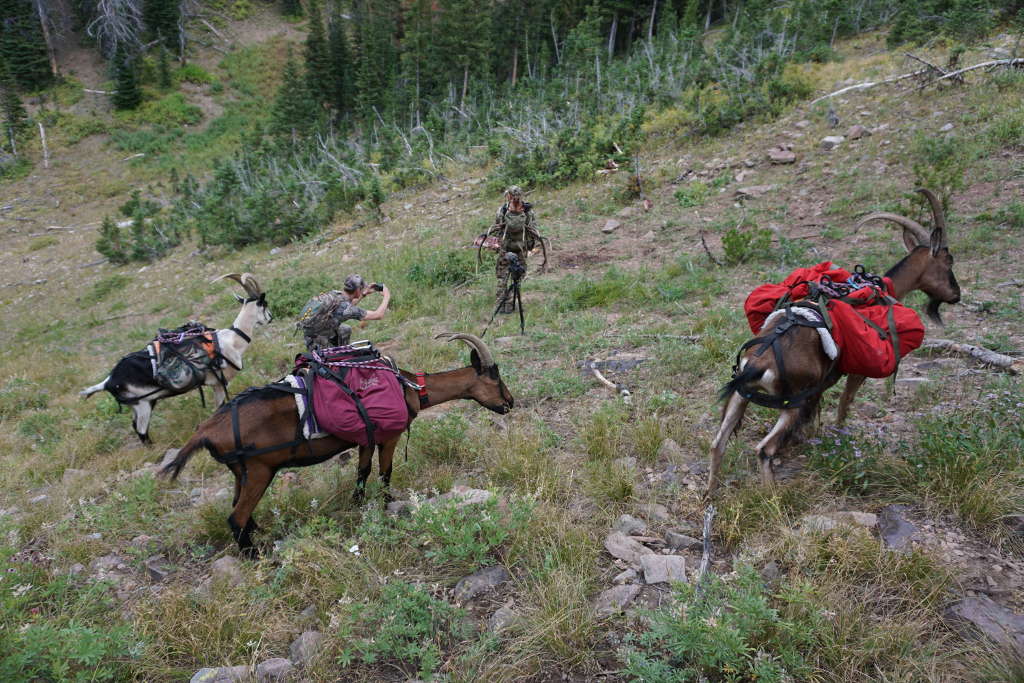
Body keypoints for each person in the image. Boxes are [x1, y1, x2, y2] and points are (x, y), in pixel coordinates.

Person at [296, 274, 390, 350]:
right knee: (330, 364)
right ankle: (336, 359)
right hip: (316, 342)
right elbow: (378, 315)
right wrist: (387, 296)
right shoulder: (346, 309)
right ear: (357, 290)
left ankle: (342, 352)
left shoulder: (335, 294)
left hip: (313, 331)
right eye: (361, 289)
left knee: (345, 329)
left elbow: (348, 304)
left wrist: (364, 294)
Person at [488, 186, 536, 314]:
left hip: (505, 248)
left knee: (502, 278)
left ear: (508, 195)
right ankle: (512, 304)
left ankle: (502, 305)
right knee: (517, 278)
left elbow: (498, 229)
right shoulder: (528, 212)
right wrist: (529, 247)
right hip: (520, 249)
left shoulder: (502, 210)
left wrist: (497, 246)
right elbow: (532, 231)